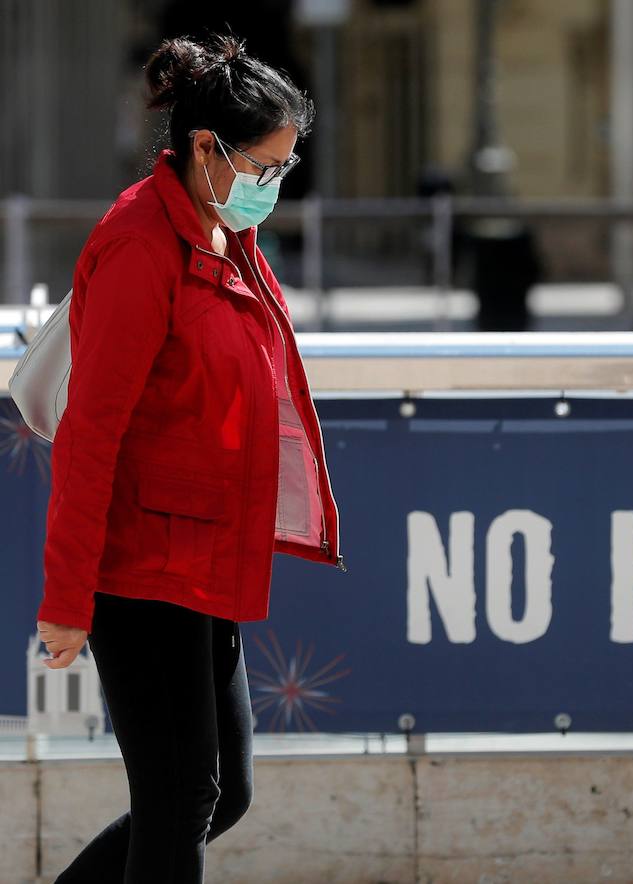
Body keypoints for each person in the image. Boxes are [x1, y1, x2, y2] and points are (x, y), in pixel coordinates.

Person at [35, 32, 345, 883]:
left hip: (207, 555)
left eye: (286, 168)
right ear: (205, 148)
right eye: (265, 167)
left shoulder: (221, 231)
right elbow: (91, 433)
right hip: (144, 565)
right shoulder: (142, 244)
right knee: (182, 796)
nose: (274, 186)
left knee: (220, 792)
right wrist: (67, 598)